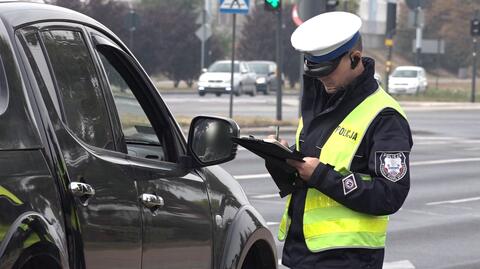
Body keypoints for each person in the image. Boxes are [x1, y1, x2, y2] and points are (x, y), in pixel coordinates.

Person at [265, 11, 413, 269]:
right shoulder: (320, 102)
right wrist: (282, 158)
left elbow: (390, 194)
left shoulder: (385, 116)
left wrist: (321, 175)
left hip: (349, 259)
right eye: (315, 70)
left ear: (355, 58)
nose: (322, 78)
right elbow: (310, 170)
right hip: (302, 252)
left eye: (328, 70)